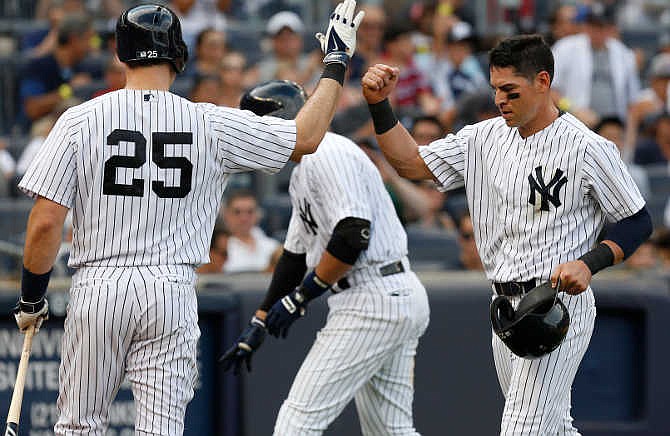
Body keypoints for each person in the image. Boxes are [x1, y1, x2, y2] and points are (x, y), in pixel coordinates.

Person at [12, 2, 364, 434]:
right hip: (171, 289)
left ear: (120, 55)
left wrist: (32, 298)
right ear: (179, 56)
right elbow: (307, 137)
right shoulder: (208, 121)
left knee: (78, 427)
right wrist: (335, 62)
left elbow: (46, 221)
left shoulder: (79, 120)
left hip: (99, 285)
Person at [361, 34, 652, 434]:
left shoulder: (587, 147)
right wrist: (379, 105)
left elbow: (637, 220)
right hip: (505, 304)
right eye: (496, 89)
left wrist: (590, 263)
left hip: (556, 305)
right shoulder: (482, 137)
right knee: (551, 427)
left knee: (521, 428)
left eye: (510, 90)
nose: (500, 99)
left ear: (543, 82)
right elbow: (411, 164)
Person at [220, 80, 429, 436]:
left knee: (296, 422)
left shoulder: (326, 152)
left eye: (257, 127)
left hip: (371, 297)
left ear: (282, 120)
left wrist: (302, 297)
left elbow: (353, 233)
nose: (253, 139)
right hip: (386, 292)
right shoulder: (306, 167)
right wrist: (259, 320)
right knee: (390, 430)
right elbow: (294, 257)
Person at [221, 189, 282, 273]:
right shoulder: (216, 251)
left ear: (258, 214)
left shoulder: (273, 247)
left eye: (250, 212)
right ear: (226, 214)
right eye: (237, 212)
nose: (244, 218)